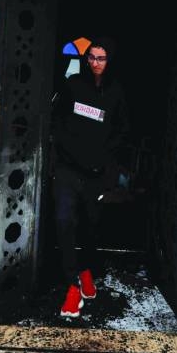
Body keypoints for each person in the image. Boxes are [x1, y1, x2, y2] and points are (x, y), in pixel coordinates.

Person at [50, 36, 129, 318]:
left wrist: (105, 158)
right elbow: (56, 122)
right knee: (64, 221)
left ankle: (86, 271)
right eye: (92, 57)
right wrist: (64, 155)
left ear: (110, 61)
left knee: (91, 226)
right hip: (69, 169)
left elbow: (122, 130)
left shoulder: (116, 92)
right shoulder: (72, 86)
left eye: (101, 58)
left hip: (97, 173)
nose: (96, 63)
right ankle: (72, 285)